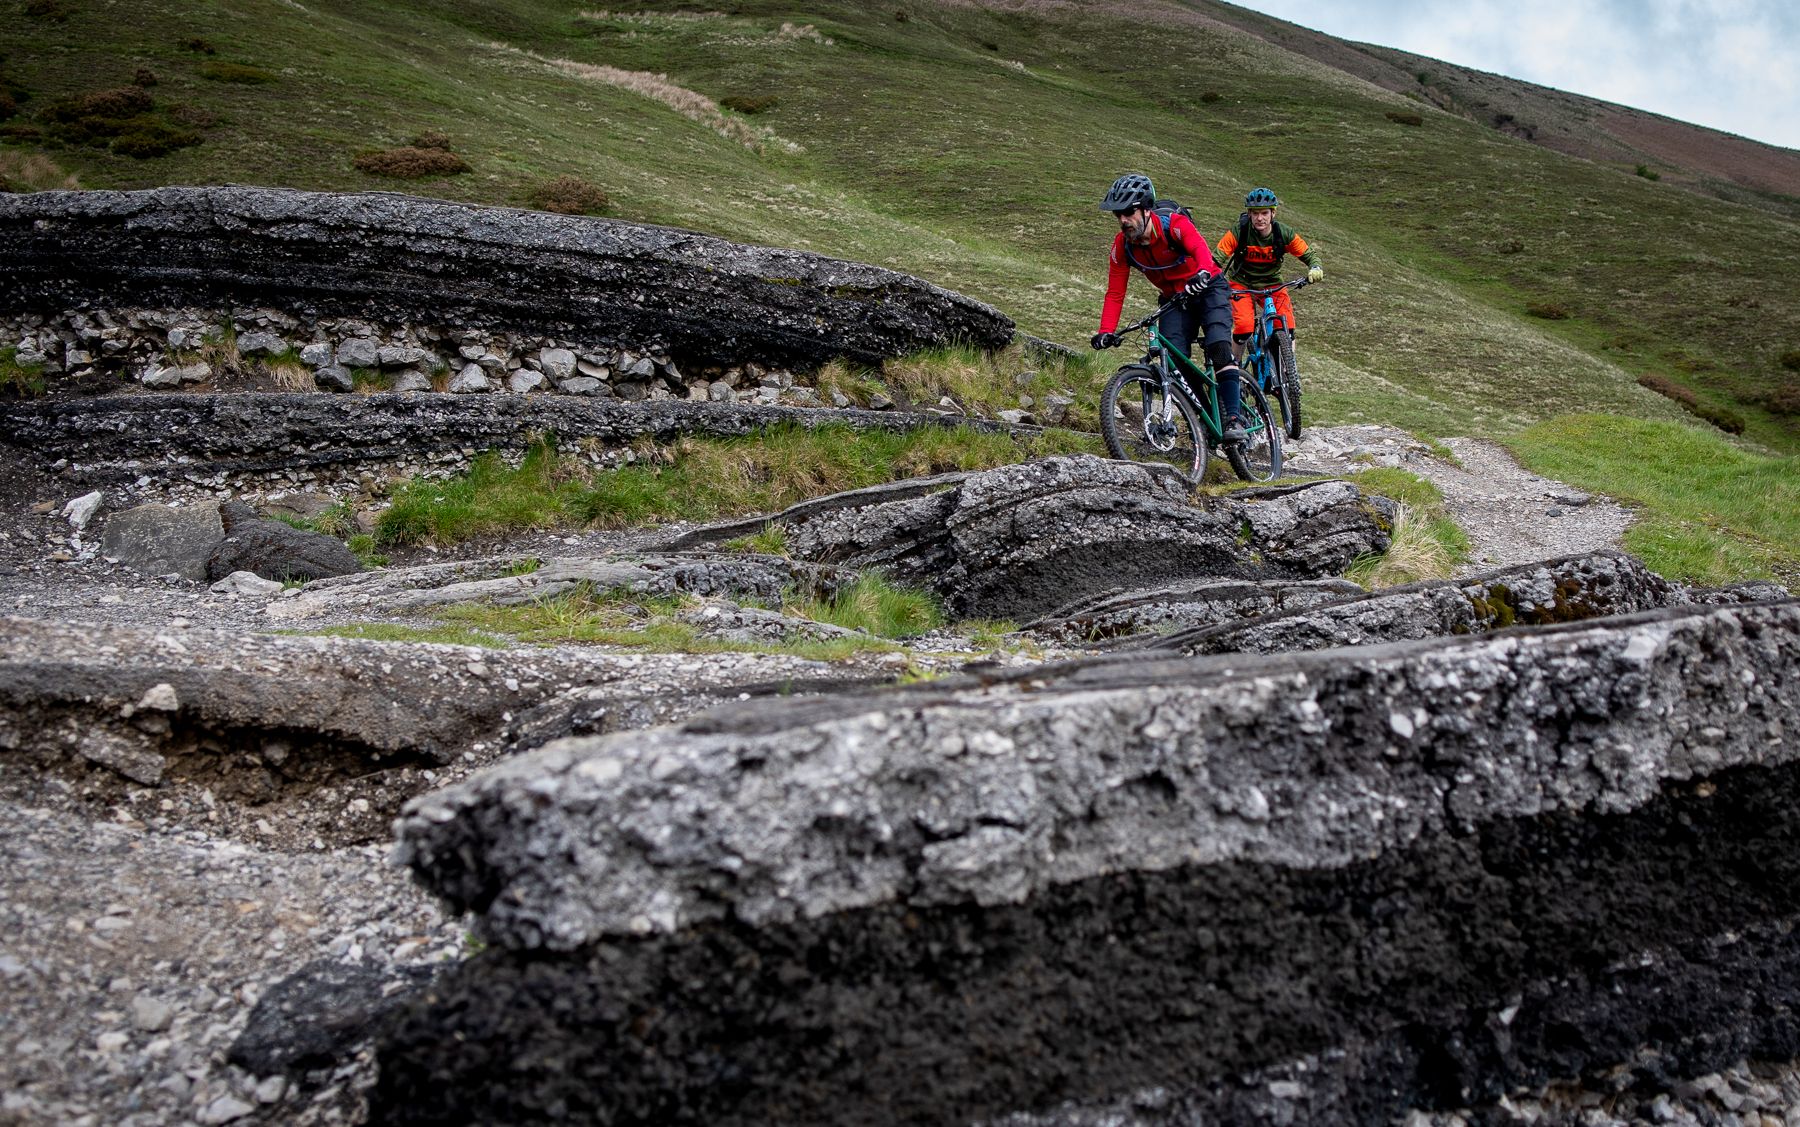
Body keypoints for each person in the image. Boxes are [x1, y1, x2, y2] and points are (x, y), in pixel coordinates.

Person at [1090, 173, 1250, 445]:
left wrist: (1200, 274)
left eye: (1129, 212)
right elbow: (1115, 293)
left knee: (1219, 347)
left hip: (1208, 287)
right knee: (1176, 363)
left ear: (1146, 209)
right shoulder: (1122, 247)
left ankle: (1234, 418)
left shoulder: (1174, 226)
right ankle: (1206, 417)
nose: (1123, 220)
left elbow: (1201, 250)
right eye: (1118, 215)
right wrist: (1106, 331)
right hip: (1175, 300)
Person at [1213, 187, 1323, 362]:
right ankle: (1234, 369)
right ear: (1249, 214)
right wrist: (1210, 276)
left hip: (1273, 284)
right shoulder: (1240, 231)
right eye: (1255, 213)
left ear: (1273, 213)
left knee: (1287, 326)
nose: (1260, 218)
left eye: (1264, 213)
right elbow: (1217, 258)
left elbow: (1309, 254)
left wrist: (1315, 267)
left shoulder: (1283, 233)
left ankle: (1288, 370)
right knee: (1244, 326)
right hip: (1242, 284)